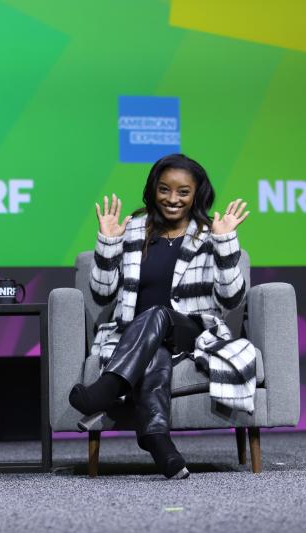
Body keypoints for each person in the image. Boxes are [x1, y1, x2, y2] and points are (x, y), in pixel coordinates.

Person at [68, 153, 250, 480]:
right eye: (164, 189)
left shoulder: (211, 233)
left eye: (183, 192)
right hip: (140, 337)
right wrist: (108, 242)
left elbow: (232, 299)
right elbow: (102, 294)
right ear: (153, 189)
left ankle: (108, 386)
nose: (172, 199)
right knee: (157, 354)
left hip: (191, 330)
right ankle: (159, 443)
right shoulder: (133, 230)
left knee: (160, 314)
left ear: (197, 195)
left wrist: (225, 242)